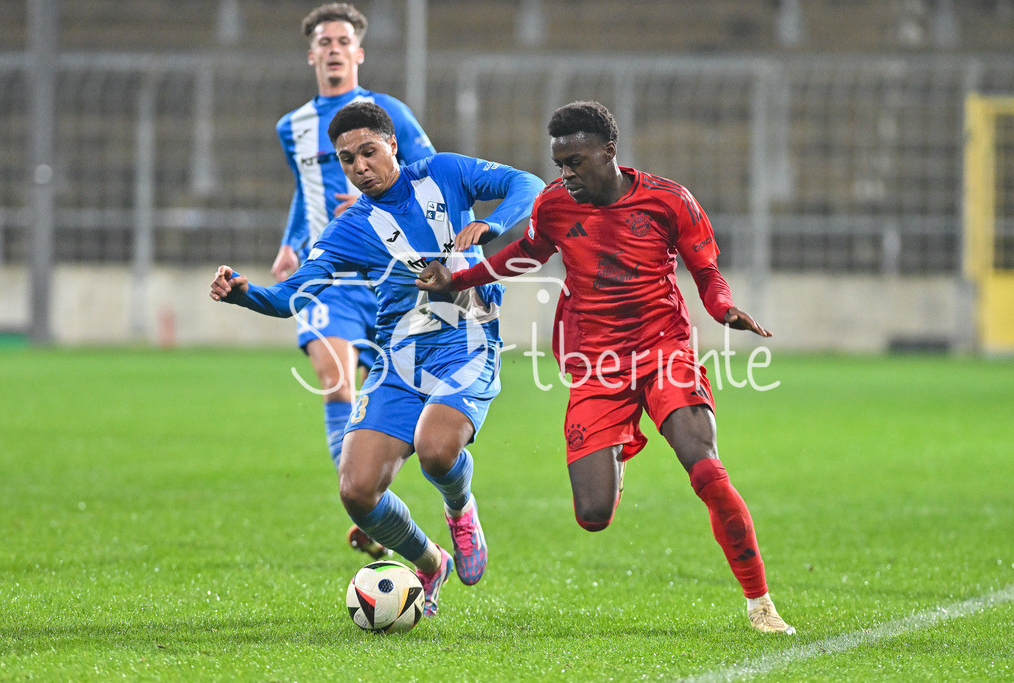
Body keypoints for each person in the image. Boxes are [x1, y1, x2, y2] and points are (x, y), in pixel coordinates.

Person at [416, 101, 795, 634]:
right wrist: (459, 280)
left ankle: (760, 603)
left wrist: (722, 307)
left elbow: (706, 269)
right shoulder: (554, 206)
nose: (565, 174)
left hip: (665, 349)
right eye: (559, 163)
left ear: (608, 152)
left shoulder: (669, 200)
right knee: (592, 516)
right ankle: (618, 445)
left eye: (574, 161)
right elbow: (528, 252)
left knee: (706, 469)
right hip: (597, 365)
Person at [211, 101, 545, 616]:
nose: (359, 166)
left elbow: (529, 184)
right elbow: (290, 297)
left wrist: (491, 225)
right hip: (398, 360)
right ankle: (430, 563)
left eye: (368, 151)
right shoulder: (350, 229)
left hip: (468, 342)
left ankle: (460, 507)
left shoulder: (444, 172)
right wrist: (242, 292)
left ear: (392, 144)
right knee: (358, 491)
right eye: (347, 159)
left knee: (436, 450)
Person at [271, 4, 436, 559]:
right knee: (334, 378)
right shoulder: (291, 126)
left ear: (358, 53)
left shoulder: (389, 112)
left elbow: (429, 172)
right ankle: (359, 502)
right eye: (326, 41)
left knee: (389, 395)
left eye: (344, 40)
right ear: (313, 53)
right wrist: (291, 243)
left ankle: (373, 501)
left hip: (390, 276)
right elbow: (305, 190)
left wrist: (379, 196)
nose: (335, 48)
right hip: (330, 276)